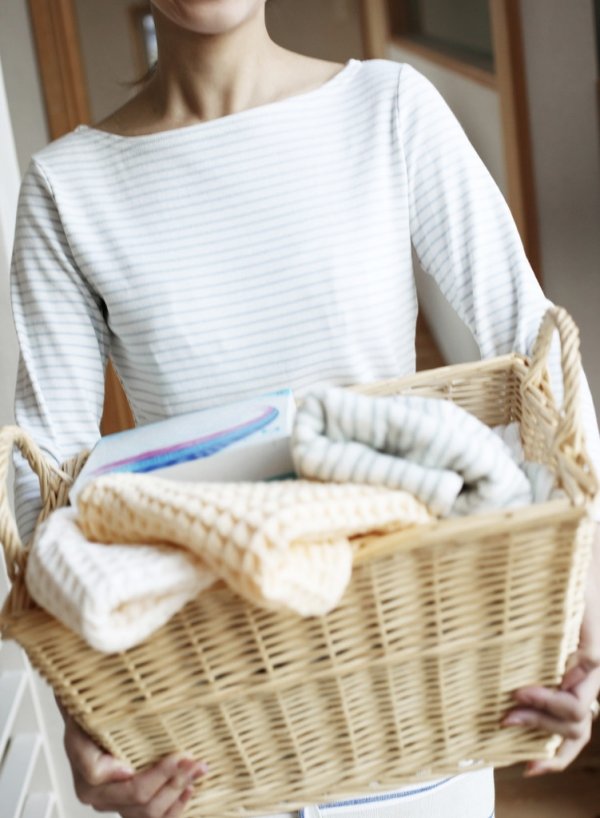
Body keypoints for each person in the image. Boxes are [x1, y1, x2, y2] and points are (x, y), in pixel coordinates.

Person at [9, 1, 600, 817]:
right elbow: (42, 478)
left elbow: (541, 353)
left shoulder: (388, 108)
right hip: (208, 727)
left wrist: (581, 615)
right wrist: (88, 715)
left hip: (414, 684)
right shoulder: (66, 188)